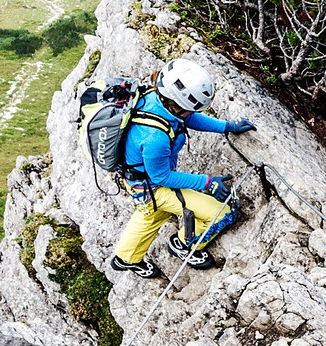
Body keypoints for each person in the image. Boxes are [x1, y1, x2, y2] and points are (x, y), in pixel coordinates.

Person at [108, 58, 256, 278]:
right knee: (222, 212)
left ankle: (125, 258)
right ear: (176, 104)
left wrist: (227, 126)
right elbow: (161, 176)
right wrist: (207, 183)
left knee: (151, 215)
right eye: (188, 109)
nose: (190, 113)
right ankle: (184, 245)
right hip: (154, 187)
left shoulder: (155, 98)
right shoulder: (154, 137)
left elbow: (186, 119)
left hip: (139, 184)